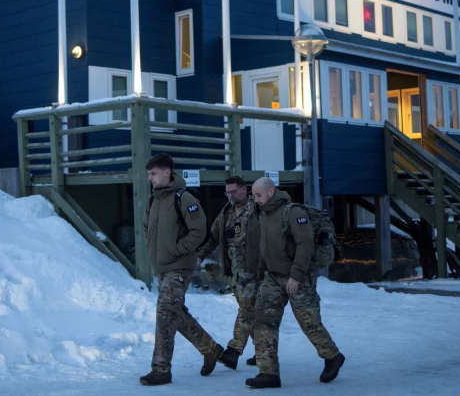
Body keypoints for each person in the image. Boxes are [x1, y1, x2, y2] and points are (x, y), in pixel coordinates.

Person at [246, 177, 345, 389]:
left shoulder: (293, 212)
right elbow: (264, 247)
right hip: (272, 277)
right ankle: (268, 373)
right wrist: (261, 274)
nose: (256, 199)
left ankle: (332, 356)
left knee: (309, 323)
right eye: (254, 195)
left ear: (271, 191)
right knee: (263, 321)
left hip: (297, 278)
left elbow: (305, 243)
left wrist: (297, 275)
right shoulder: (263, 214)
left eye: (259, 195)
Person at [139, 153, 224, 386]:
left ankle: (161, 369)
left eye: (153, 173)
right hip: (162, 266)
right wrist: (153, 250)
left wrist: (177, 250)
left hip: (179, 266)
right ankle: (210, 349)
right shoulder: (153, 200)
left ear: (167, 172)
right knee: (175, 312)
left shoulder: (184, 198)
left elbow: (199, 230)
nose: (150, 178)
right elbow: (146, 228)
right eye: (149, 174)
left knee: (165, 314)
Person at [197, 176, 260, 370]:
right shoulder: (226, 213)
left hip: (256, 271)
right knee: (250, 313)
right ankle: (263, 352)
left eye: (233, 191)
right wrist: (200, 255)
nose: (230, 196)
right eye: (227, 192)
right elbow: (213, 238)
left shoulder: (258, 209)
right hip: (236, 274)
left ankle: (233, 351)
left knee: (247, 310)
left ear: (244, 189)